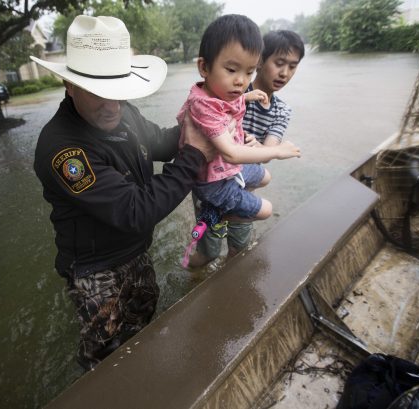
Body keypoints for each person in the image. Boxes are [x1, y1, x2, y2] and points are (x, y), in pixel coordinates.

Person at [29, 15, 213, 371]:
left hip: (135, 251)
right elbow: (135, 211)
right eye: (99, 92)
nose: (112, 105)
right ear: (69, 84)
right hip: (96, 268)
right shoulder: (64, 150)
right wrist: (194, 157)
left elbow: (159, 141)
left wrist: (204, 121)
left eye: (119, 90)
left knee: (143, 322)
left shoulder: (121, 111)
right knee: (105, 353)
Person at [177, 15, 301, 267]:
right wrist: (275, 150)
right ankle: (190, 267)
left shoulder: (274, 107)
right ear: (263, 60)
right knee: (209, 249)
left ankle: (225, 277)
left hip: (236, 177)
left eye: (292, 66)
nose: (284, 73)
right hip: (215, 178)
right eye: (279, 63)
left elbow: (263, 153)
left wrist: (267, 149)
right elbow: (227, 137)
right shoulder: (227, 89)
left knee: (239, 248)